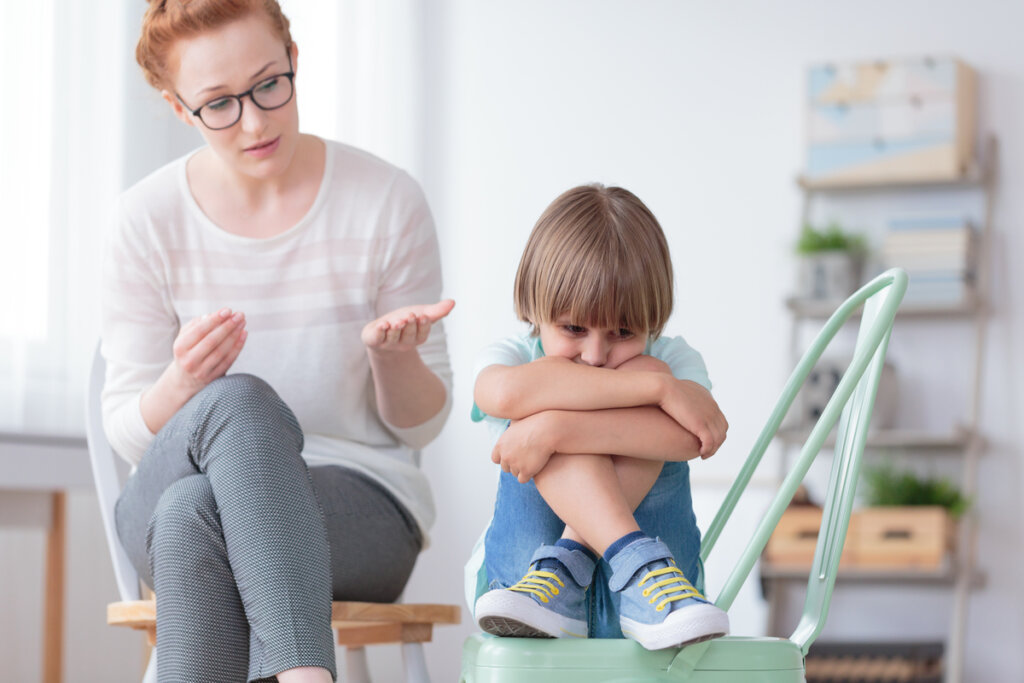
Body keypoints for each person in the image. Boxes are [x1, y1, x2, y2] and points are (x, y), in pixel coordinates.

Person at [102, 2, 452, 681]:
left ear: (294, 55)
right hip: (174, 476)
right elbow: (125, 430)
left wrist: (393, 357)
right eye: (219, 105)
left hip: (359, 507)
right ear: (180, 110)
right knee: (236, 404)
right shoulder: (144, 221)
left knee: (194, 514)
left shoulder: (386, 200)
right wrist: (179, 385)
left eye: (269, 84)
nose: (256, 122)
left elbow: (425, 423)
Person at [468, 184, 730, 650]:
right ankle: (636, 559)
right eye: (573, 328)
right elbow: (502, 394)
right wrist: (657, 389)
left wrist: (555, 430)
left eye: (623, 332)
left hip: (653, 609)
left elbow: (695, 437)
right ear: (533, 306)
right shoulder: (514, 355)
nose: (594, 354)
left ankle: (574, 565)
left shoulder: (672, 357)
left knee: (620, 391)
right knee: (548, 390)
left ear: (653, 320)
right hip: (523, 594)